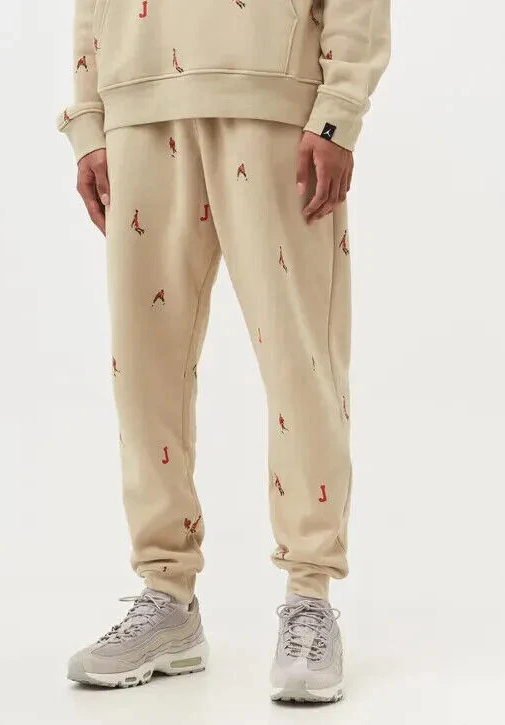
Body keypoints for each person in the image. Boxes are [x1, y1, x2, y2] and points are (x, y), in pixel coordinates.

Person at [58, 0, 390, 703]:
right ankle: (166, 596)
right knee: (142, 369)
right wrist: (88, 115)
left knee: (301, 361)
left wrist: (339, 107)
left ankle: (309, 595)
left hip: (274, 98)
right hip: (137, 97)